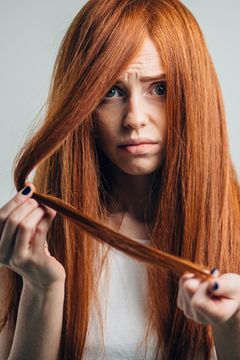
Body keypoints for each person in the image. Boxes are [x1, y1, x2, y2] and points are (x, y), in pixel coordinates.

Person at [0, 0, 240, 359]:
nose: (135, 119)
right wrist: (41, 286)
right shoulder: (32, 243)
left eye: (159, 89)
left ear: (194, 95)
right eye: (110, 92)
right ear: (79, 104)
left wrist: (231, 322)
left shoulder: (234, 226)